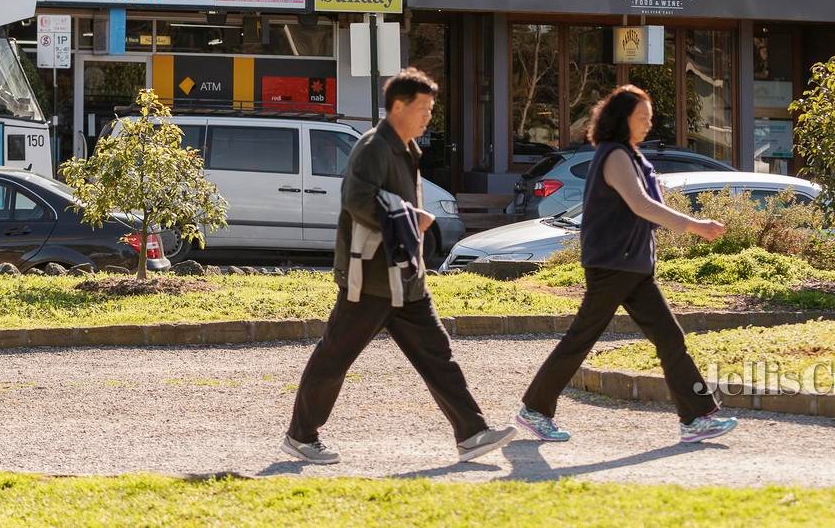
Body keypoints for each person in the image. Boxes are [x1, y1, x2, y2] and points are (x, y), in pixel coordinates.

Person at [282, 68, 515, 466]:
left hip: (405, 276)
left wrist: (409, 222)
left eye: (430, 109)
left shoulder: (406, 148)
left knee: (438, 354)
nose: (428, 117)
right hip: (371, 279)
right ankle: (301, 436)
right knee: (334, 357)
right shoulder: (374, 147)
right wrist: (410, 217)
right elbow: (357, 200)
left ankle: (472, 433)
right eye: (423, 108)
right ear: (398, 107)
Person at [513, 85, 739, 445]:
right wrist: (694, 225)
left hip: (633, 265)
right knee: (581, 338)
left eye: (649, 117)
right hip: (613, 265)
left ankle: (697, 418)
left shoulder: (630, 155)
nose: (648, 123)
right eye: (641, 117)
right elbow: (640, 204)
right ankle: (534, 411)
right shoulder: (614, 155)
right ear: (621, 119)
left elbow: (645, 204)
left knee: (669, 337)